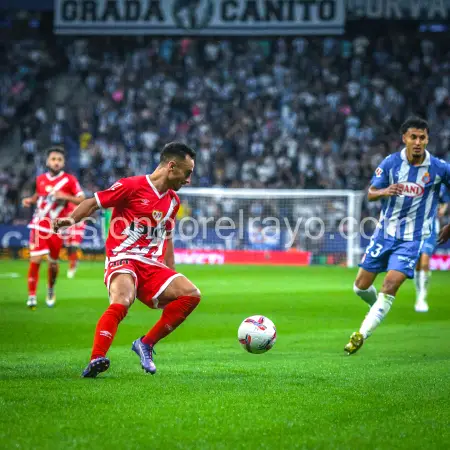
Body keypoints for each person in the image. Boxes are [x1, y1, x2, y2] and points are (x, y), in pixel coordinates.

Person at [53, 142, 201, 377]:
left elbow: (167, 236)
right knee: (123, 299)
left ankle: (146, 343)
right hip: (122, 258)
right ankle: (97, 358)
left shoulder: (173, 202)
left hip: (151, 264)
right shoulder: (131, 186)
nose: (188, 179)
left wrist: (170, 271)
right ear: (172, 166)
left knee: (191, 295)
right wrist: (70, 221)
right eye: (188, 172)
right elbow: (92, 203)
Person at [345, 117, 450, 355]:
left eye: (422, 137)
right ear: (404, 138)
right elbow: (371, 193)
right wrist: (384, 190)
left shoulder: (439, 167)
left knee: (390, 284)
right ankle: (378, 310)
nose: (417, 142)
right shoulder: (391, 163)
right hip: (384, 234)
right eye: (413, 137)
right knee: (360, 287)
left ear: (427, 139)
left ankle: (361, 334)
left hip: (412, 240)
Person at [22, 146, 85, 309]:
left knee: (53, 264)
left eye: (59, 160)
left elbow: (82, 199)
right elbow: (38, 196)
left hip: (57, 228)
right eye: (53, 159)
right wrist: (30, 200)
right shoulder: (40, 179)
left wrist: (64, 196)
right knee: (35, 259)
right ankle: (32, 296)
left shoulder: (70, 180)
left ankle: (50, 289)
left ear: (63, 163)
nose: (56, 162)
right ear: (47, 161)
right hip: (39, 224)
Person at [414, 185, 449, 312]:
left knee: (424, 261)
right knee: (417, 264)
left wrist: (442, 210)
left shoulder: (439, 184)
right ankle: (419, 293)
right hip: (414, 229)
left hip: (430, 229)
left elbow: (445, 201)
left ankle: (422, 298)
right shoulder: (415, 182)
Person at [63, 202, 87, 279]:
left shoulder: (81, 203)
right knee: (69, 250)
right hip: (70, 228)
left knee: (73, 248)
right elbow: (66, 215)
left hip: (78, 228)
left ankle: (71, 269)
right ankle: (74, 262)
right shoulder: (68, 203)